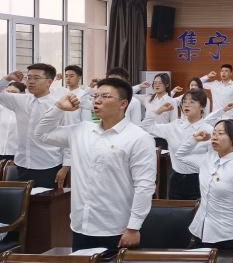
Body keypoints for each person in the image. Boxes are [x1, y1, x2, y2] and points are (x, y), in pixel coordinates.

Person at [34, 78, 156, 252]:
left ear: (123, 104)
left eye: (105, 96)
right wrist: (58, 108)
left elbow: (144, 186)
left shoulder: (139, 138)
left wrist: (133, 227)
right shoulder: (82, 130)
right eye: (95, 96)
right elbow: (41, 135)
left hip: (116, 228)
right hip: (80, 225)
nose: (97, 100)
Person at [179, 120, 233, 249]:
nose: (214, 137)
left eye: (220, 133)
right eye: (214, 133)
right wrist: (194, 139)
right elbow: (180, 155)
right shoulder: (207, 159)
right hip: (200, 230)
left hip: (225, 236)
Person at [0, 65, 67, 188]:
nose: (31, 81)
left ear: (49, 82)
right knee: (22, 199)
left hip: (49, 164)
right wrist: (7, 78)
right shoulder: (20, 100)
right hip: (22, 164)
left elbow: (67, 138)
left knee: (44, 200)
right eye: (29, 77)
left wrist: (66, 166)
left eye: (36, 78)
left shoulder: (58, 105)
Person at [141, 89, 214, 200]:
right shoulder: (174, 126)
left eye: (192, 102)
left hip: (200, 179)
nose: (186, 105)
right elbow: (146, 127)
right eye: (184, 101)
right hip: (176, 179)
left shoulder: (209, 130)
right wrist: (158, 111)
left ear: (202, 106)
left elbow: (214, 159)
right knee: (174, 210)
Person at [0, 81, 25, 161]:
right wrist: (7, 79)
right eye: (8, 91)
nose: (9, 94)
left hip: (16, 154)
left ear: (22, 94)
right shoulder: (1, 107)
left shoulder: (26, 110)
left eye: (14, 92)